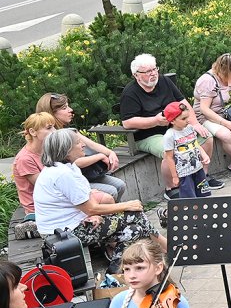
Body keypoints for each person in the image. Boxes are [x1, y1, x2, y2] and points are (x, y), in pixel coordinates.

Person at [33, 129, 156, 273]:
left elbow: (85, 202)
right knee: (133, 214)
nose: (83, 145)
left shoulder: (68, 167)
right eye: (78, 143)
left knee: (135, 230)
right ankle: (160, 246)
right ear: (66, 150)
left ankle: (116, 271)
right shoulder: (62, 174)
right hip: (63, 235)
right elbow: (91, 208)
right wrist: (126, 205)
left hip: (72, 225)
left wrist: (92, 214)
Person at [120, 54, 225, 198]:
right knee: (171, 150)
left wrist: (194, 123)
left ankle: (202, 177)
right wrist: (155, 121)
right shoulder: (130, 93)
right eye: (148, 72)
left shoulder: (163, 81)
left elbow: (183, 102)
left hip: (176, 127)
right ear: (136, 75)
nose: (153, 74)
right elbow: (127, 122)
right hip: (148, 134)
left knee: (206, 137)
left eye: (154, 69)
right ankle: (171, 188)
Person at [35, 92, 128, 197]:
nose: (70, 110)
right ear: (51, 113)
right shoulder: (53, 140)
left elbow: (92, 145)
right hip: (73, 180)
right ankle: (104, 212)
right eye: (64, 108)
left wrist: (110, 153)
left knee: (120, 185)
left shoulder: (70, 131)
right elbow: (72, 164)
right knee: (110, 191)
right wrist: (100, 156)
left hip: (88, 174)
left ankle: (112, 212)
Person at [160, 102, 211, 199]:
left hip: (198, 169)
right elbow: (169, 158)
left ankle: (204, 213)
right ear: (172, 121)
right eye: (183, 119)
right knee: (190, 199)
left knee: (204, 195)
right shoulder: (170, 135)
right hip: (184, 173)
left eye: (188, 117)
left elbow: (195, 144)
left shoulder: (190, 128)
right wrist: (174, 176)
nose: (187, 120)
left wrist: (204, 154)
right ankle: (193, 214)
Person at [13, 112, 58, 219]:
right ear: (33, 132)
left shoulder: (46, 150)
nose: (54, 131)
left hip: (53, 202)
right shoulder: (25, 159)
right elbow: (47, 187)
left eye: (54, 127)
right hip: (40, 209)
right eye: (49, 128)